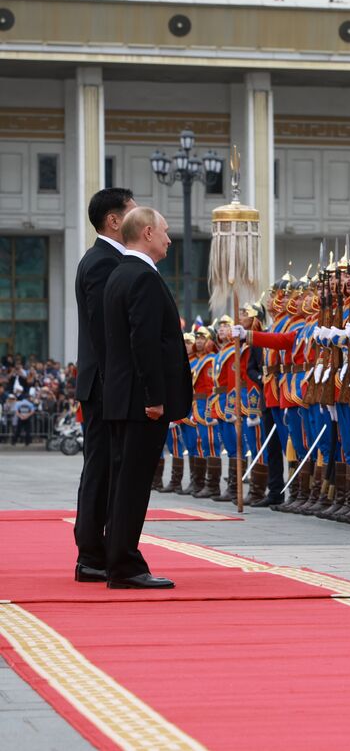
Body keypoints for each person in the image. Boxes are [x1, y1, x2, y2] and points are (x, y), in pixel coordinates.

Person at [102, 206, 192, 590]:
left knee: (125, 481)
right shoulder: (142, 277)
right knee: (134, 483)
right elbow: (145, 342)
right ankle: (125, 565)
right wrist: (156, 397)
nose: (170, 239)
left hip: (124, 397)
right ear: (148, 233)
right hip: (142, 402)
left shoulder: (120, 274)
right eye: (166, 232)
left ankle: (119, 559)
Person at [72, 186, 136, 584]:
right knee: (101, 469)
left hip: (105, 384)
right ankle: (92, 554)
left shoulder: (110, 260)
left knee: (108, 468)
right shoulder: (102, 263)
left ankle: (97, 551)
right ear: (113, 221)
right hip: (104, 386)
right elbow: (104, 331)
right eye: (131, 212)